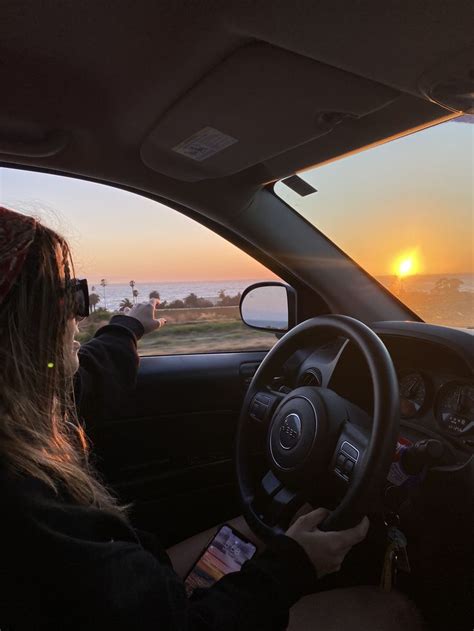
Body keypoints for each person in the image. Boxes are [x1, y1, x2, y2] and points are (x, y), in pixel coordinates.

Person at [0, 206, 424, 630]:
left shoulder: (21, 413)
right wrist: (296, 564)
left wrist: (127, 328)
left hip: (134, 591)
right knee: (393, 612)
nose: (81, 311)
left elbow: (85, 381)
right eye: (65, 294)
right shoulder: (26, 504)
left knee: (270, 524)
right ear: (22, 327)